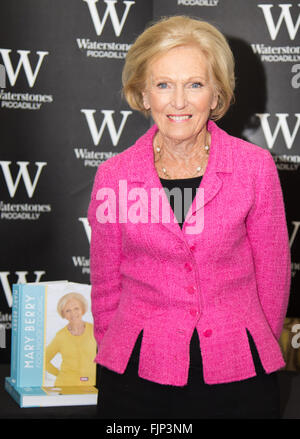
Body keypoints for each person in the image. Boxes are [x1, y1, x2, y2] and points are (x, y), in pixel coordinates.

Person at [88, 16, 291, 419]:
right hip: (136, 377)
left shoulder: (255, 168)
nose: (178, 101)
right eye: (163, 85)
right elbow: (106, 282)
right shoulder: (113, 176)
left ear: (216, 95)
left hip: (240, 373)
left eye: (195, 85)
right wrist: (114, 353)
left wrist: (255, 345)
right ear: (143, 95)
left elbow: (273, 274)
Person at [45, 292, 96, 386]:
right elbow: (44, 360)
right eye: (68, 311)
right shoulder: (60, 336)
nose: (73, 313)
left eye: (76, 308)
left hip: (91, 386)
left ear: (83, 309)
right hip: (65, 386)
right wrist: (59, 374)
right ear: (63, 314)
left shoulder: (94, 330)